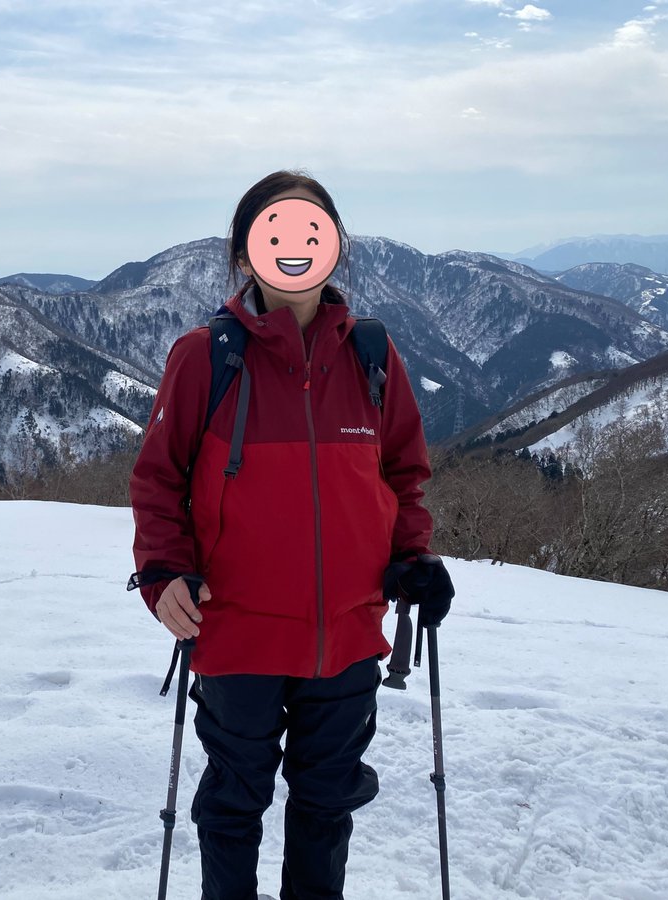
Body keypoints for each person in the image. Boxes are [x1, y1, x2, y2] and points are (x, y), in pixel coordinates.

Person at [129, 170, 454, 900]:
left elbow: (404, 474)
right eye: (275, 233)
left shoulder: (371, 354)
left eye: (312, 231)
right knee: (234, 808)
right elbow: (157, 481)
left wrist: (414, 556)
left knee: (325, 806)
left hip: (345, 638)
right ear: (246, 254)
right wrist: (162, 572)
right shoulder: (206, 357)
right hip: (237, 632)